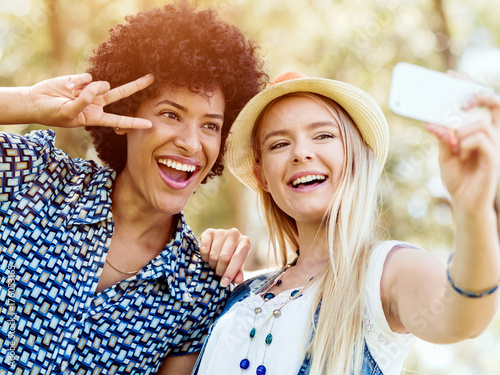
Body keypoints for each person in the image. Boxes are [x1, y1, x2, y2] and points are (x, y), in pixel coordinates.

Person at [0, 2, 267, 374]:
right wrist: (28, 103)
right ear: (124, 116)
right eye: (171, 114)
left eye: (210, 126)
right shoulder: (32, 179)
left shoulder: (199, 290)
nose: (192, 143)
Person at [193, 71, 500, 375]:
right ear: (263, 179)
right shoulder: (239, 293)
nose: (301, 153)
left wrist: (474, 212)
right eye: (279, 144)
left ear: (354, 156)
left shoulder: (385, 270)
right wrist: (202, 266)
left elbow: (462, 316)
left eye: (323, 135)